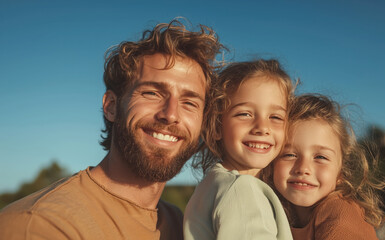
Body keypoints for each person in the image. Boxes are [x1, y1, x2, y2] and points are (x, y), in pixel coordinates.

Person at [0, 19, 224, 240]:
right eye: (152, 93)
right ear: (111, 106)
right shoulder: (41, 225)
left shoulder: (182, 224)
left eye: (190, 103)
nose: (171, 114)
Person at [183, 59, 294, 240]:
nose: (262, 127)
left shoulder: (213, 184)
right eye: (245, 114)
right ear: (218, 126)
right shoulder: (241, 189)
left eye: (275, 117)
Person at [262, 94, 385, 240]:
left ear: (341, 172)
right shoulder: (277, 210)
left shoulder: (340, 213)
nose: (303, 168)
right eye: (289, 155)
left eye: (320, 157)